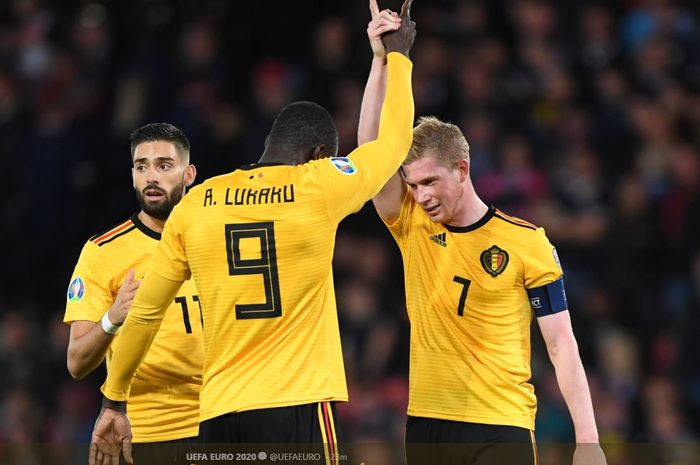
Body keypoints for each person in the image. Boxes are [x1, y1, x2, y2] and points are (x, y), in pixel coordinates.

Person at [88, 3, 416, 464]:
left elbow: (144, 314)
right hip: (296, 403)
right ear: (320, 153)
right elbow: (393, 144)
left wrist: (114, 399)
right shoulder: (318, 184)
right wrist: (396, 57)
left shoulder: (198, 202)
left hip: (219, 414)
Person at [358, 6, 607, 465]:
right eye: (412, 185)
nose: (420, 195)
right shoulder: (411, 224)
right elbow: (371, 153)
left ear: (462, 170)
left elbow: (561, 343)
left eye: (429, 182)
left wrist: (587, 440)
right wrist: (381, 61)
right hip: (428, 421)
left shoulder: (528, 243)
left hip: (502, 423)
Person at [64, 123, 204, 464]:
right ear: (132, 175)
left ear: (189, 174)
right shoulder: (102, 253)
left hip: (219, 423)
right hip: (143, 434)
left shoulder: (215, 239)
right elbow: (77, 362)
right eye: (141, 166)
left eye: (163, 165)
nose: (151, 177)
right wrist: (113, 318)